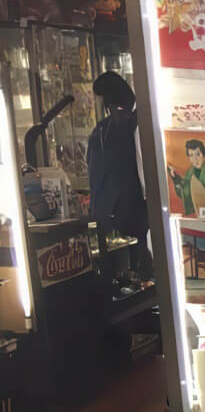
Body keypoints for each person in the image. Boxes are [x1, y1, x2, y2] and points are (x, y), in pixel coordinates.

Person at [89, 71, 151, 280]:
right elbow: (143, 174)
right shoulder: (137, 123)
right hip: (138, 209)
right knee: (145, 262)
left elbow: (97, 171)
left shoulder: (102, 131)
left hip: (114, 212)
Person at [168, 139, 205, 216]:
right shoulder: (189, 173)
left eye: (198, 154)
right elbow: (183, 193)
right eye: (191, 155)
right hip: (194, 215)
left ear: (203, 154)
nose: (195, 159)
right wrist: (175, 178)